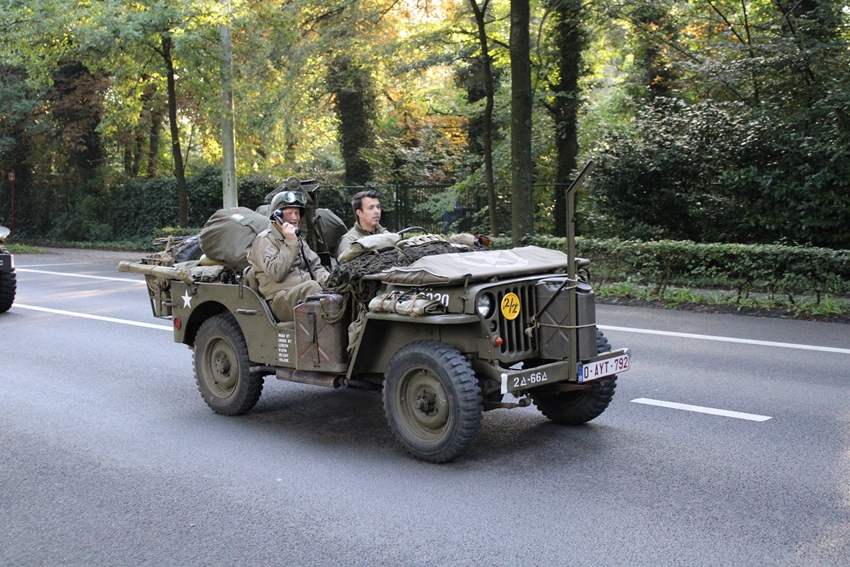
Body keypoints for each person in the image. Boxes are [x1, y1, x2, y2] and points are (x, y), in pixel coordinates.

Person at [247, 189, 330, 322]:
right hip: (279, 300)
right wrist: (290, 242)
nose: (295, 218)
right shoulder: (265, 240)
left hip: (302, 295)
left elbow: (315, 267)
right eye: (289, 213)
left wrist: (332, 282)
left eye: (297, 213)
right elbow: (275, 273)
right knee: (312, 287)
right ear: (277, 216)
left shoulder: (297, 238)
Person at [335, 189, 388, 260]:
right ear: (359, 213)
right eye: (371, 208)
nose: (376, 211)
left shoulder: (386, 235)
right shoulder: (349, 241)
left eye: (378, 207)